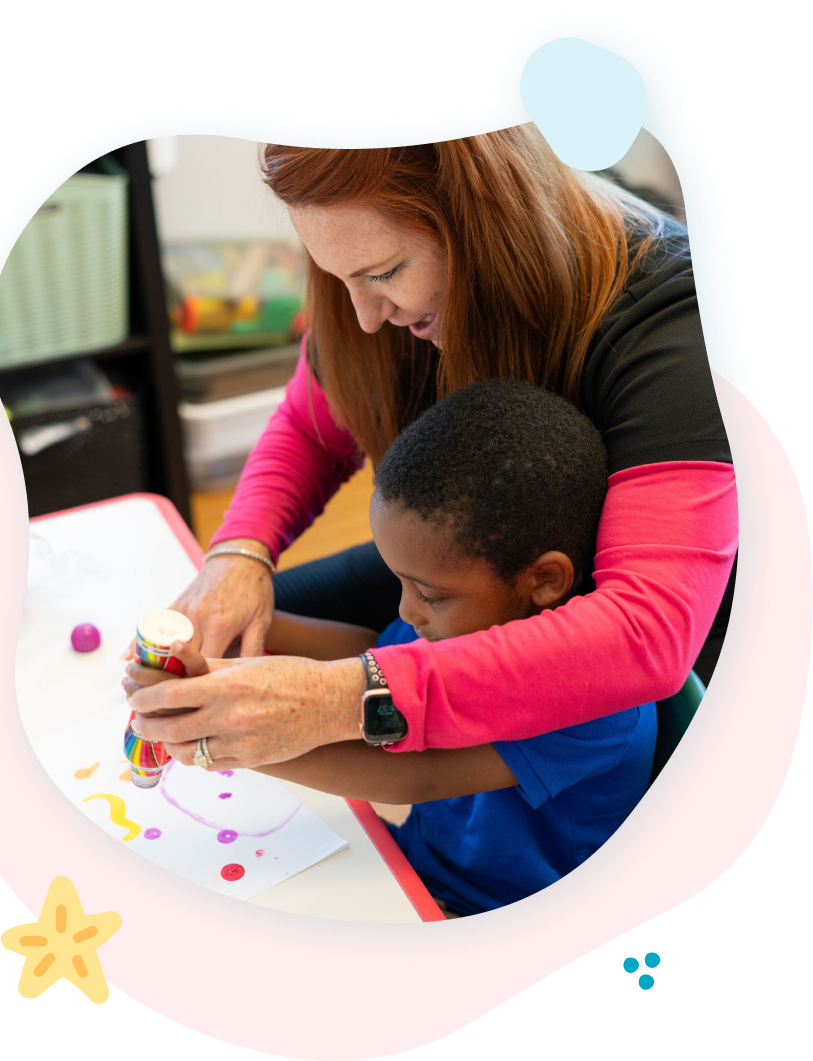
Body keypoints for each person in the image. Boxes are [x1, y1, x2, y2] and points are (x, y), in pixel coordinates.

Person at [126, 126, 737, 770]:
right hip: (480, 563)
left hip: (651, 635)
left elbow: (646, 636)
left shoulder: (678, 324)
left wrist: (342, 701)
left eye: (384, 273)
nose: (364, 317)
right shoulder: (384, 301)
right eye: (340, 279)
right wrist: (238, 554)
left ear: (484, 219)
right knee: (244, 635)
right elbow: (311, 427)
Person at [125, 380, 657, 917]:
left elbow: (414, 774)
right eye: (400, 582)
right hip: (417, 868)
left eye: (429, 594)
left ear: (544, 580)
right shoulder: (461, 619)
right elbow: (374, 655)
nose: (407, 611)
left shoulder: (597, 701)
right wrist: (242, 637)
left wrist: (219, 737)